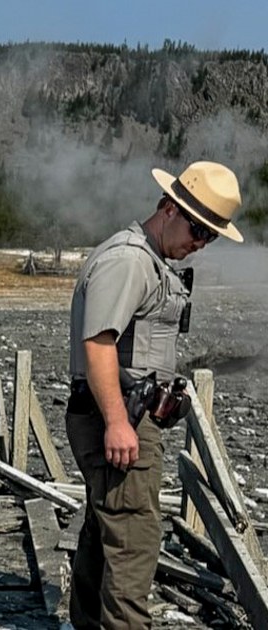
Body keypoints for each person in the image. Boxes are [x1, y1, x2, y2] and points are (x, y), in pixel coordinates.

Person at [65, 161, 245, 629]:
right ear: (169, 208)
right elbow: (99, 342)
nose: (199, 244)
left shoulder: (149, 259)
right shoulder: (129, 260)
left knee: (108, 529)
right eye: (198, 230)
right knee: (134, 539)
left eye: (210, 237)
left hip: (127, 411)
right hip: (118, 414)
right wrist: (119, 422)